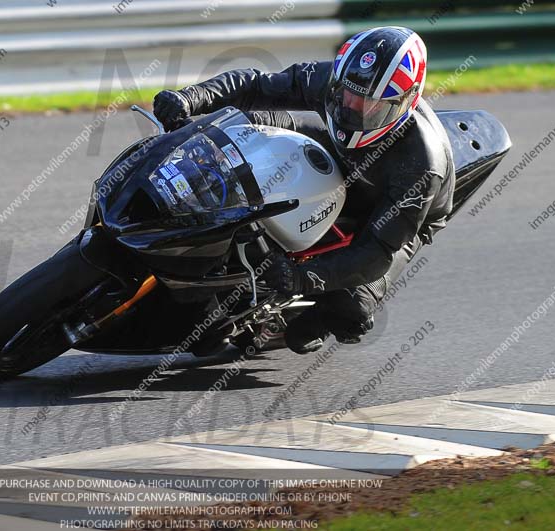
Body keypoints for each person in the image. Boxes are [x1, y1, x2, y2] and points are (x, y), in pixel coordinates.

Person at [152, 27, 455, 353]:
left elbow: (375, 253)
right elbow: (256, 84)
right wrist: (192, 98)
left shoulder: (422, 166)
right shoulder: (335, 82)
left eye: (370, 106)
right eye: (347, 95)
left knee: (350, 309)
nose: (351, 108)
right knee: (244, 126)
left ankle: (316, 317)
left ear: (402, 105)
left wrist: (300, 277)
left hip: (394, 204)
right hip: (340, 152)